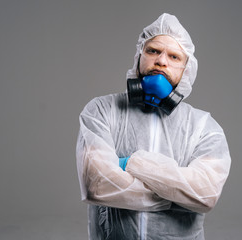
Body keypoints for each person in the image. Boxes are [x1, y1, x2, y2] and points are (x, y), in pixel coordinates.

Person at [76, 13, 231, 240]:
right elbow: (96, 185)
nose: (161, 61)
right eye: (153, 51)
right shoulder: (100, 110)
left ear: (186, 71)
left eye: (174, 57)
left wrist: (130, 163)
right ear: (139, 56)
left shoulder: (205, 128)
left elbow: (205, 194)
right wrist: (179, 195)